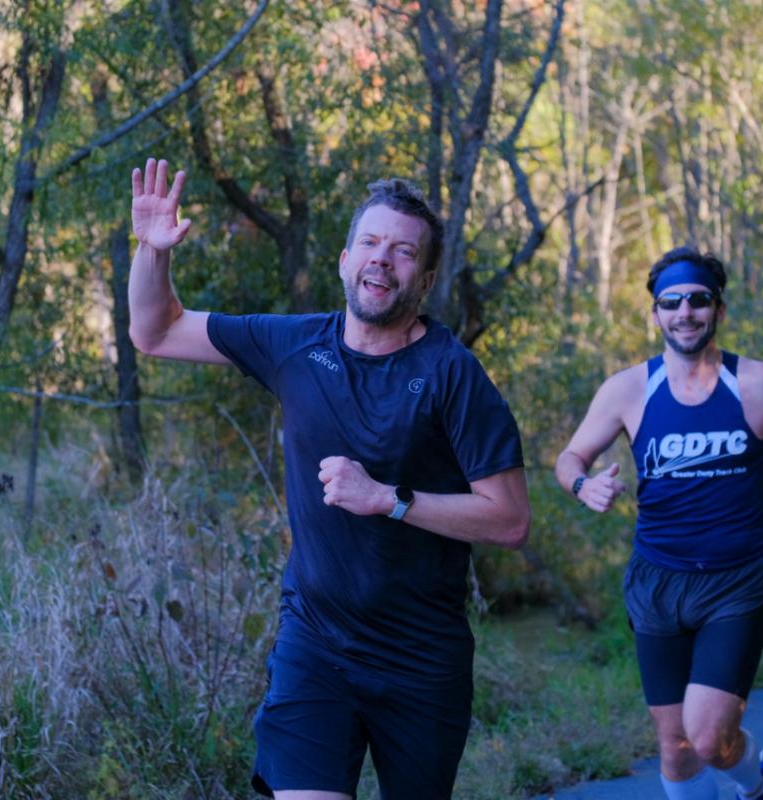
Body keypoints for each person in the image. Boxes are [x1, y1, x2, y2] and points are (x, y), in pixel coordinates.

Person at [127, 158, 531, 800]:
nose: (382, 260)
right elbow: (156, 331)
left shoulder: (453, 374)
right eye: (370, 243)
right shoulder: (294, 346)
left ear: (425, 281)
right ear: (345, 261)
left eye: (403, 252)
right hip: (315, 643)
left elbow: (509, 520)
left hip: (421, 660)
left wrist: (386, 499)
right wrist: (153, 251)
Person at [554, 247, 763, 800]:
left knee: (708, 737)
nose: (685, 312)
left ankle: (753, 784)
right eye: (671, 302)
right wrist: (583, 485)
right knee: (675, 747)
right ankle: (752, 785)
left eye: (698, 300)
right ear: (655, 313)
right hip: (657, 581)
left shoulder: (759, 383)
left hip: (736, 582)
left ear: (718, 310)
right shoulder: (628, 389)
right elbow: (568, 459)